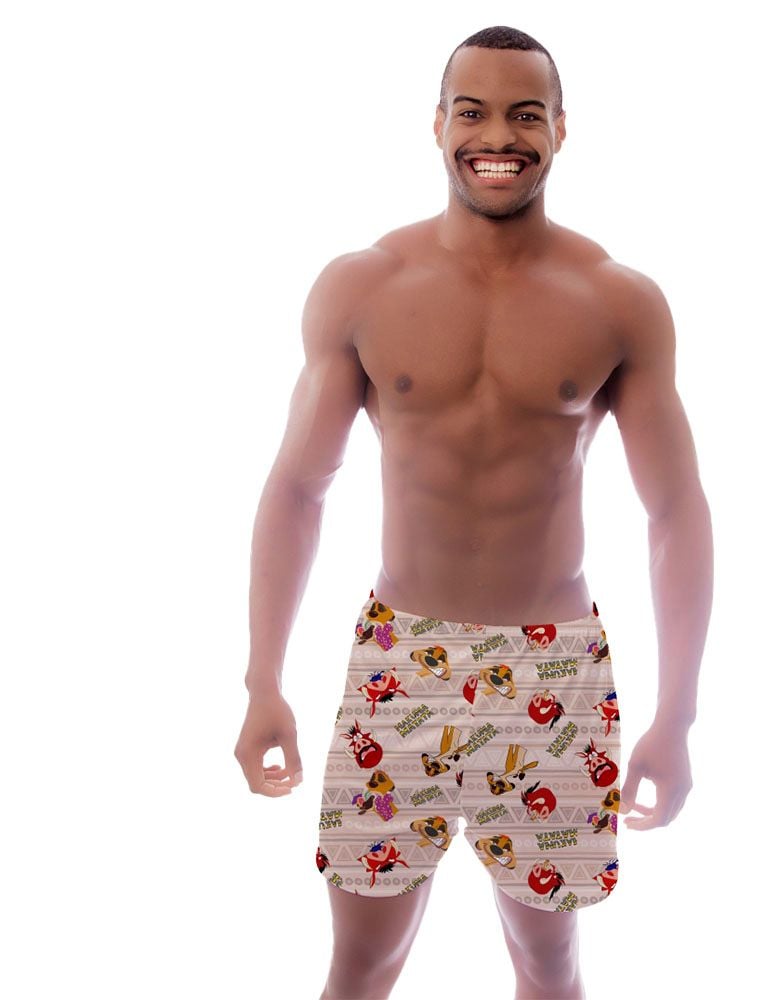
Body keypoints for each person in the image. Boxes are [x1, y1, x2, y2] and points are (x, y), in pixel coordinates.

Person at [233, 24, 713, 1000]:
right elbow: (296, 488)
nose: (498, 136)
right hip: (400, 658)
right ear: (438, 125)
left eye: (525, 114)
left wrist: (678, 715)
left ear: (561, 130)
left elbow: (674, 512)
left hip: (554, 669)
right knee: (360, 965)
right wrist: (262, 679)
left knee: (548, 963)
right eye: (473, 111)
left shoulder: (617, 302)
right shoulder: (364, 286)